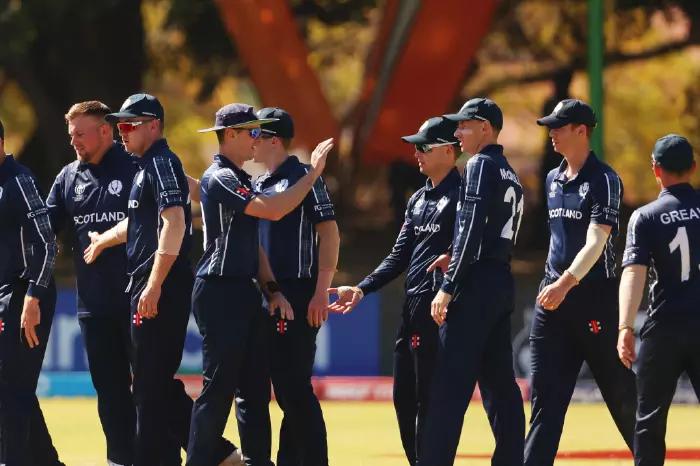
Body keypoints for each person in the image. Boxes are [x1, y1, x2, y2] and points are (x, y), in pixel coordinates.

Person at [83, 94, 238, 465]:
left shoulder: (162, 162)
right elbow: (141, 224)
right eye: (120, 125)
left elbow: (175, 222)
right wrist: (103, 240)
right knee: (153, 386)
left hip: (161, 286)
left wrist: (153, 285)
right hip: (149, 284)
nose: (122, 132)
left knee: (150, 391)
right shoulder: (146, 167)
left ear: (154, 125)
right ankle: (217, 454)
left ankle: (205, 454)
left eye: (130, 124)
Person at [186, 103, 334, 466]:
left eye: (259, 132)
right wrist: (314, 172)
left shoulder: (242, 178)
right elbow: (272, 211)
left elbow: (258, 246)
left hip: (253, 291)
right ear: (232, 134)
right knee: (220, 389)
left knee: (260, 388)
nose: (255, 140)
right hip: (220, 289)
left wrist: (278, 290)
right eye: (250, 132)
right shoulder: (225, 177)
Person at [329, 116, 461, 465]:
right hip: (412, 305)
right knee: (404, 398)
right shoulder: (418, 198)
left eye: (424, 147)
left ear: (449, 151)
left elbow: (475, 247)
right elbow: (399, 255)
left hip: (440, 306)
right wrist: (361, 288)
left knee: (429, 398)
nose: (415, 153)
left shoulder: (463, 196)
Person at [525, 99, 636, 465]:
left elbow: (596, 241)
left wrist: (566, 283)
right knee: (544, 402)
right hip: (553, 302)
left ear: (581, 131)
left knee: (622, 397)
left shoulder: (605, 179)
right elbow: (557, 241)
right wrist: (552, 283)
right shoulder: (553, 178)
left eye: (559, 126)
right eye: (551, 127)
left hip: (594, 299)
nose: (552, 133)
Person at [418, 98, 526, 466]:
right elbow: (492, 233)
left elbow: (471, 230)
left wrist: (449, 286)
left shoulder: (478, 165)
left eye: (464, 125)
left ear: (485, 128)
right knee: (500, 386)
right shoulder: (510, 173)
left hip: (474, 286)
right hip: (500, 281)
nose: (458, 132)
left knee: (449, 386)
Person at [46, 100, 138, 466]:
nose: (75, 143)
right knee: (110, 392)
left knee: (153, 389)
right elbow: (42, 230)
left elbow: (154, 220)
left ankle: (193, 453)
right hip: (94, 307)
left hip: (139, 299)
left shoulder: (135, 168)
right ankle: (120, 460)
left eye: (80, 135)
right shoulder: (69, 177)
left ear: (105, 131)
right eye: (71, 137)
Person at [252, 107, 339, 466]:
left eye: (255, 134)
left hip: (299, 291)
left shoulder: (304, 176)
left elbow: (330, 233)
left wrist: (321, 291)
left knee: (293, 387)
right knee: (282, 387)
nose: (250, 141)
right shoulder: (256, 184)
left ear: (273, 139)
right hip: (267, 292)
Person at [617, 134, 700, 466]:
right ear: (693, 167)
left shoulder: (645, 217)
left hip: (664, 328)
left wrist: (625, 325)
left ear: (656, 170)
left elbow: (634, 273)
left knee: (649, 421)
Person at [0, 118, 64, 465]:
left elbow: (47, 244)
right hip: (7, 294)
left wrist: (33, 297)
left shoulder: (19, 181)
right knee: (11, 385)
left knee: (12, 388)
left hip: (27, 294)